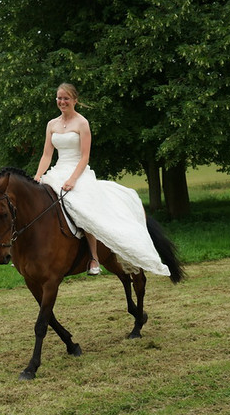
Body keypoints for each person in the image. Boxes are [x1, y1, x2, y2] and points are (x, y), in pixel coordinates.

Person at [34, 83, 171, 277]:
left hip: (78, 172)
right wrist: (39, 175)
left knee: (84, 209)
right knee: (38, 204)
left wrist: (73, 180)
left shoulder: (82, 123)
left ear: (75, 100)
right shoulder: (51, 124)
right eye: (59, 98)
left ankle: (93, 257)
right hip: (57, 171)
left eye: (66, 98)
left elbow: (84, 157)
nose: (62, 102)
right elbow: (47, 155)